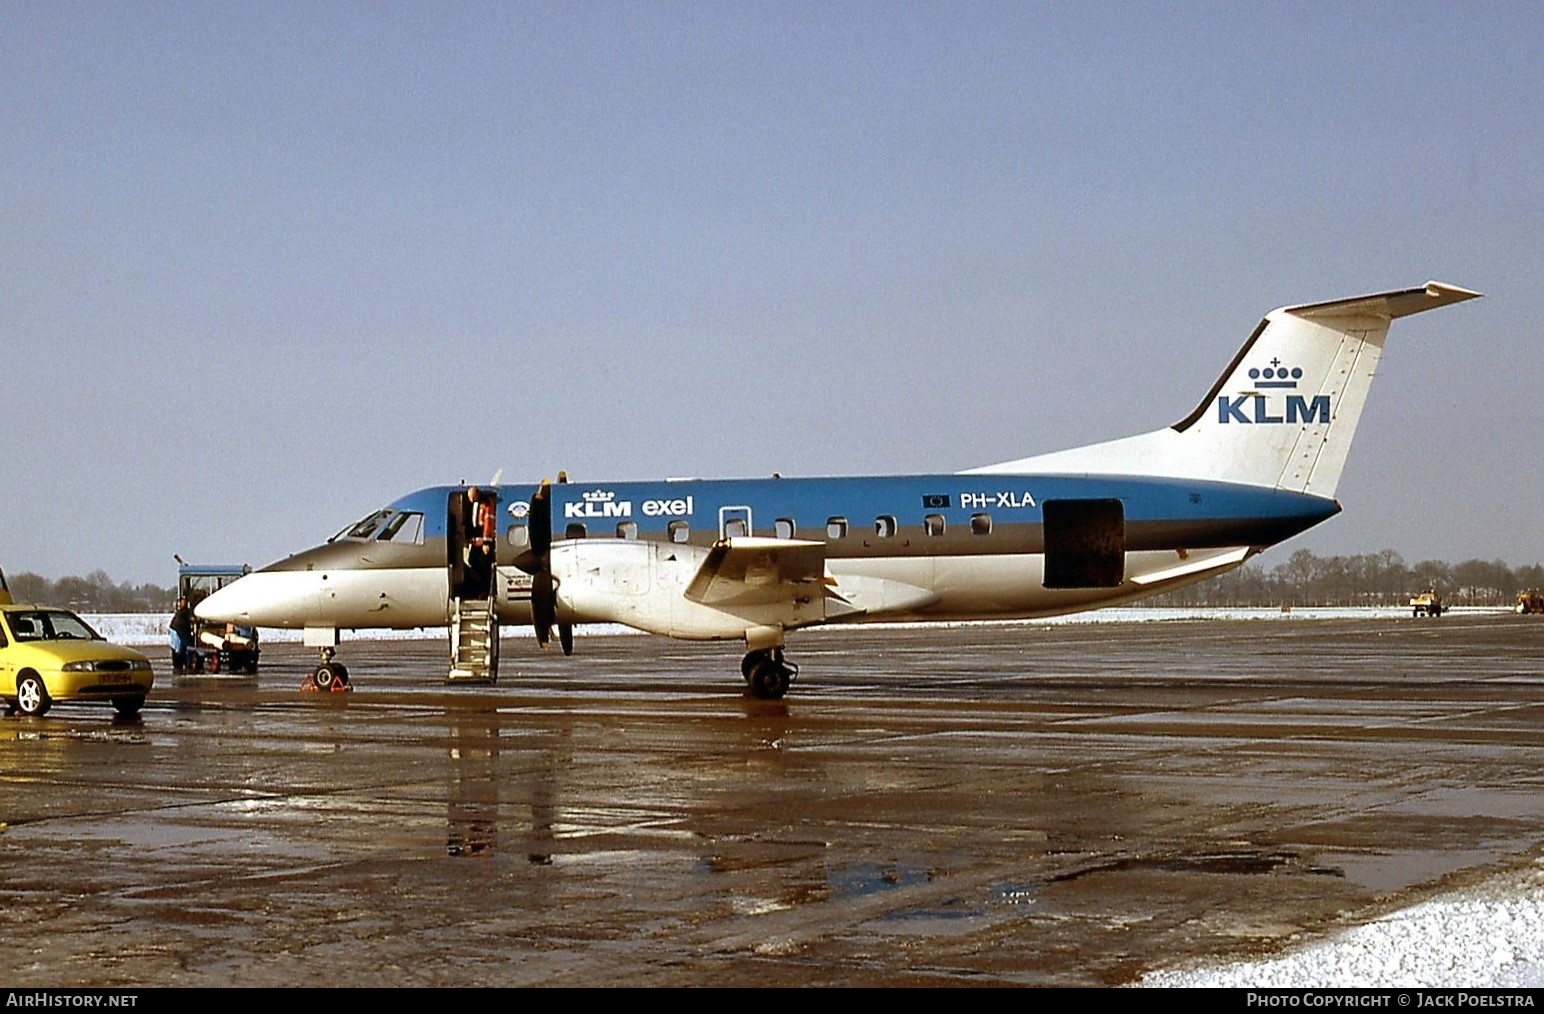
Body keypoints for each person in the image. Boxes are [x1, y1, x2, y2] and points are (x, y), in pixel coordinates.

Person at [169, 597, 195, 674]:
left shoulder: (183, 612)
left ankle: (182, 662)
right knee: (184, 647)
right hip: (179, 631)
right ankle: (185, 663)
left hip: (179, 630)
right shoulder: (183, 612)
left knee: (182, 647)